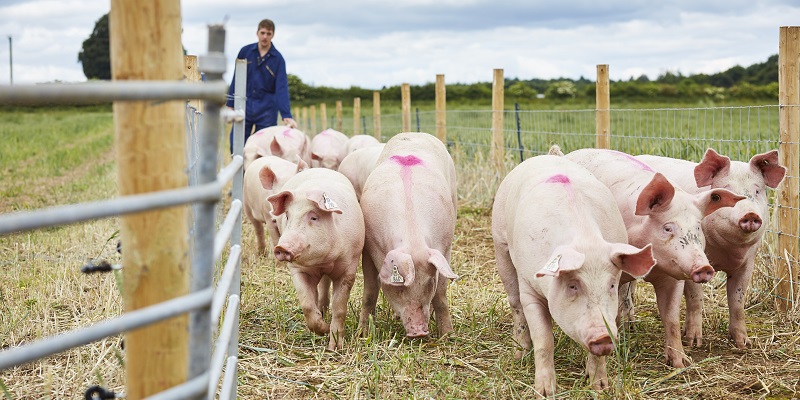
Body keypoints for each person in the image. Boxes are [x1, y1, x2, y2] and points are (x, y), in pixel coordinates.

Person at [226, 19, 297, 153]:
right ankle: (240, 173)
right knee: (236, 144)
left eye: (268, 34)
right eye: (262, 33)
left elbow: (281, 88)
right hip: (244, 105)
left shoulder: (278, 59)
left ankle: (257, 174)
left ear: (273, 35)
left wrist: (286, 114)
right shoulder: (245, 52)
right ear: (257, 33)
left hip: (267, 110)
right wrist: (230, 103)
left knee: (263, 149)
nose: (265, 37)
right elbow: (236, 77)